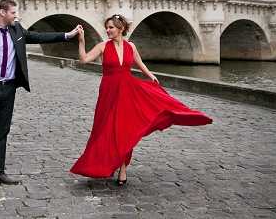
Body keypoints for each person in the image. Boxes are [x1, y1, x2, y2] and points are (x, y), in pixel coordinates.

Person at [70, 14, 212, 185]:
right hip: (109, 93)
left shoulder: (131, 46)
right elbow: (84, 59)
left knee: (124, 130)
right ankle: (100, 164)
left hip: (128, 91)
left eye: (111, 27)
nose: (108, 30)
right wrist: (81, 40)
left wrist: (151, 75)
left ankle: (122, 168)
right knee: (104, 129)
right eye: (107, 27)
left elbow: (139, 63)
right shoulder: (102, 46)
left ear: (120, 28)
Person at [0, 0, 81, 193]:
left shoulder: (17, 30)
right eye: (13, 12)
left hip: (9, 89)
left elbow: (40, 37)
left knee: (2, 131)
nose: (15, 16)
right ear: (2, 12)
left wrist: (68, 35)